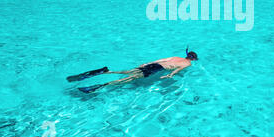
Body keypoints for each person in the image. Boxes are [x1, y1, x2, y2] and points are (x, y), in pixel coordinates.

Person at [67, 47, 198, 93]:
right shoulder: (188, 64)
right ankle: (101, 86)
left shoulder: (176, 56)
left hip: (151, 65)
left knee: (128, 72)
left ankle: (107, 72)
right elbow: (176, 70)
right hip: (156, 70)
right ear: (192, 59)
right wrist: (169, 76)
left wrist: (146, 63)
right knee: (127, 80)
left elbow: (160, 60)